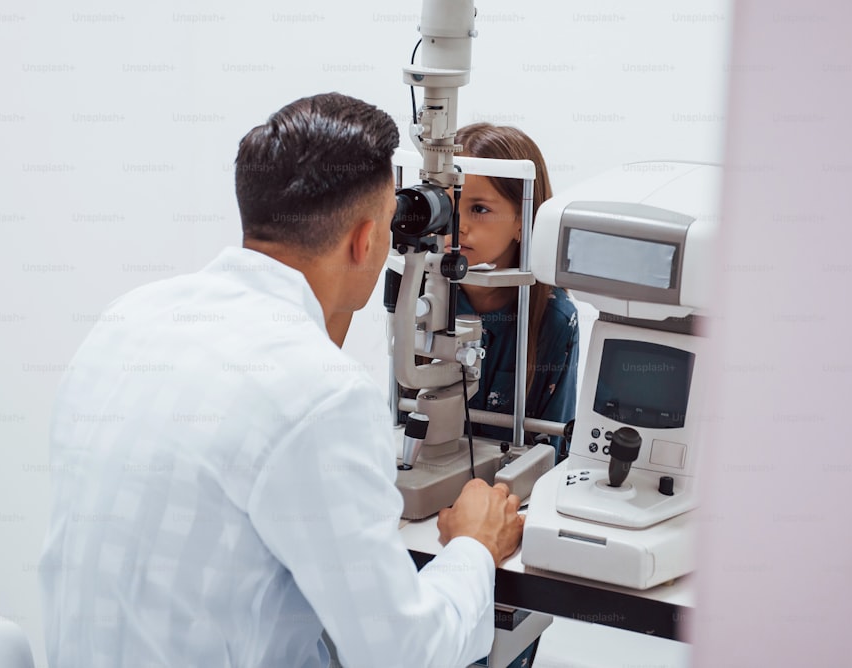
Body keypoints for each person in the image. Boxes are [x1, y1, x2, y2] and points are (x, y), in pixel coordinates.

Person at [39, 92, 524, 668]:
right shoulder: (322, 392)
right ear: (367, 240)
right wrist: (474, 544)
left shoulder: (126, 319)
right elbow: (403, 653)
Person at [450, 123, 580, 458]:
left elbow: (552, 447)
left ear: (523, 220)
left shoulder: (554, 318)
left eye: (479, 209)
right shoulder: (421, 294)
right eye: (449, 204)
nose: (457, 224)